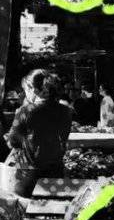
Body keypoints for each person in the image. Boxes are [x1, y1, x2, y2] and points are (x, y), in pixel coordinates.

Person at [1, 69, 73, 197]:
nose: (25, 94)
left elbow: (12, 141)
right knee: (52, 206)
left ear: (33, 89)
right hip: (56, 171)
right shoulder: (66, 111)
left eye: (25, 90)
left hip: (29, 175)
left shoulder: (25, 111)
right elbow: (62, 137)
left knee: (26, 205)